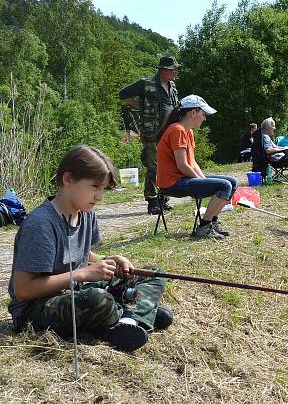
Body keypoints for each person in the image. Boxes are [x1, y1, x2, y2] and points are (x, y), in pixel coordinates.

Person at [7, 145, 172, 352]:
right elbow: (23, 290)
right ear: (68, 179)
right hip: (35, 307)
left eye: (103, 189)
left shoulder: (86, 213)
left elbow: (81, 254)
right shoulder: (41, 225)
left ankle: (127, 322)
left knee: (153, 273)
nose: (100, 196)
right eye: (95, 186)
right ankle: (134, 314)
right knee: (98, 299)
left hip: (75, 290)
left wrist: (109, 260)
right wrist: (82, 274)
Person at [156, 95, 237, 239]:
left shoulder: (189, 131)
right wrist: (203, 181)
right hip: (172, 182)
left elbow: (192, 162)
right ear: (193, 112)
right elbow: (182, 165)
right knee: (224, 185)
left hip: (183, 178)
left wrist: (203, 180)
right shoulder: (177, 130)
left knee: (232, 182)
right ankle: (204, 227)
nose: (204, 119)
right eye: (203, 114)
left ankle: (212, 223)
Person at [118, 56, 181, 215]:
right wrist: (141, 106)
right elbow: (123, 94)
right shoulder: (145, 83)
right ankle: (152, 201)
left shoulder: (172, 85)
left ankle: (163, 197)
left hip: (169, 132)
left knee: (167, 165)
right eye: (174, 69)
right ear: (164, 70)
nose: (176, 72)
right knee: (153, 166)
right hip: (152, 132)